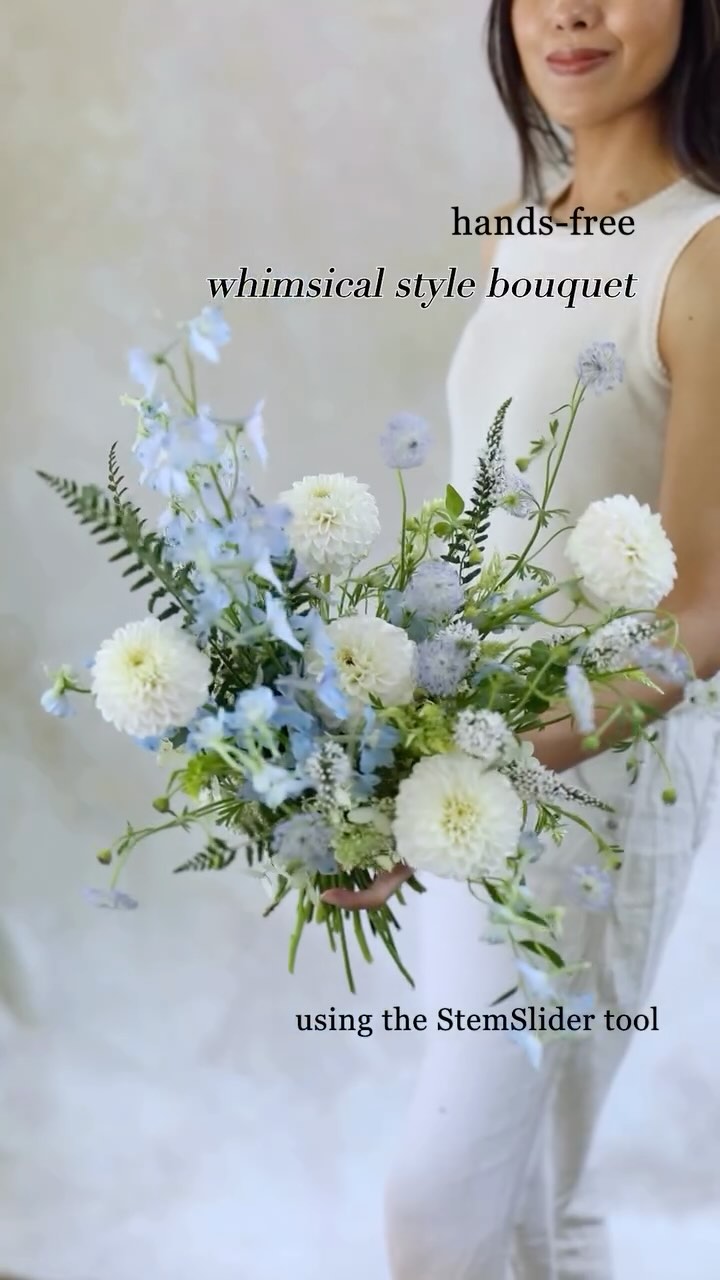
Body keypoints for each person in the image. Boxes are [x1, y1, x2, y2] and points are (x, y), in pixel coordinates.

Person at [320, 1, 720, 1277]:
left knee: (442, 1201)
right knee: (541, 1192)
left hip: (597, 777)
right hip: (479, 758)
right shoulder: (524, 235)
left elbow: (702, 612)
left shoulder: (703, 256)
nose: (571, 10)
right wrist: (387, 740)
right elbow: (491, 532)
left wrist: (469, 768)